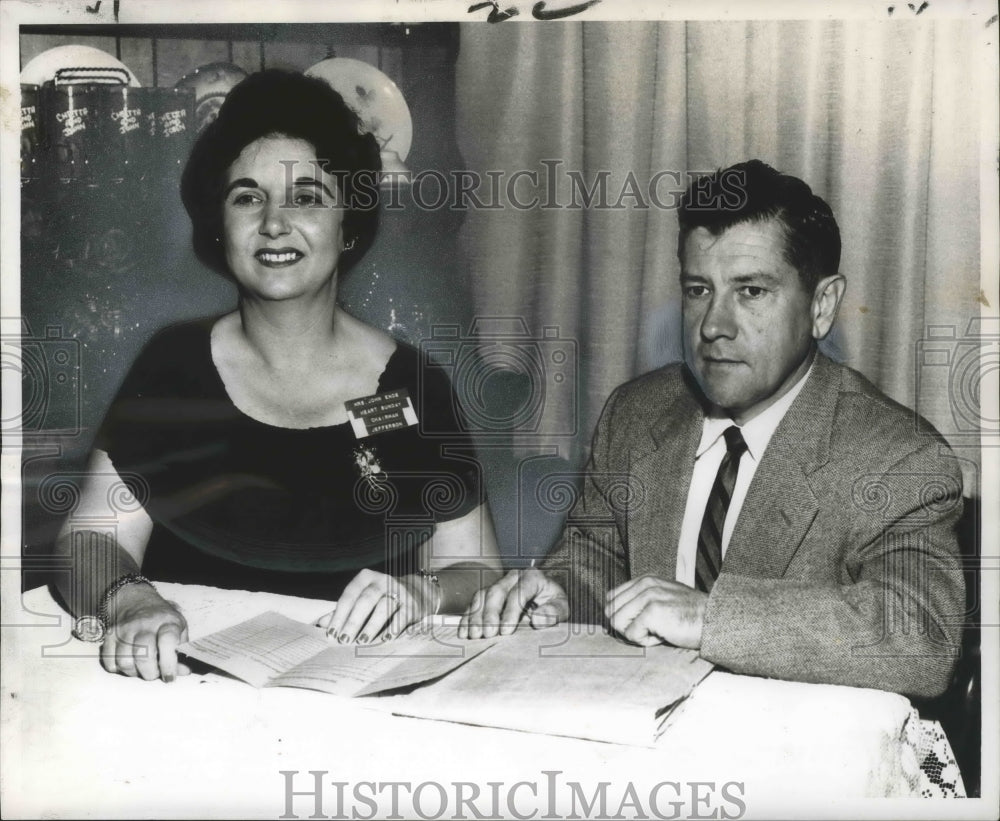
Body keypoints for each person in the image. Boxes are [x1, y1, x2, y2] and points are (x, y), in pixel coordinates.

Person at [53, 69, 502, 682]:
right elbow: (87, 542)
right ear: (220, 223)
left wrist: (423, 593)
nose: (273, 222)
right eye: (247, 196)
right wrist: (129, 598)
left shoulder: (411, 386)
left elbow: (476, 570)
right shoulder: (172, 367)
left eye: (307, 197)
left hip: (365, 701)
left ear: (349, 223)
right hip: (185, 691)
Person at [459, 160, 965, 699]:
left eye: (751, 291)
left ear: (822, 306)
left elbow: (920, 637)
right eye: (699, 289)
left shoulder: (898, 456)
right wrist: (560, 590)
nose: (713, 326)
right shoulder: (637, 413)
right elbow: (597, 555)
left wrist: (707, 616)